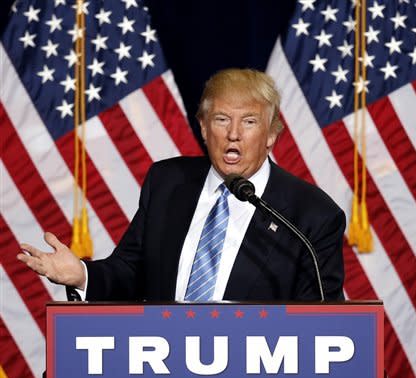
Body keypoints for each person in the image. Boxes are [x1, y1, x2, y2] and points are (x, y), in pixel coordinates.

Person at [17, 68, 345, 302]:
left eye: (249, 121)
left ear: (272, 133)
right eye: (221, 120)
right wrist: (82, 275)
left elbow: (318, 319)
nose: (233, 134)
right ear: (203, 127)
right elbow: (130, 271)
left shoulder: (311, 215)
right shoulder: (168, 182)